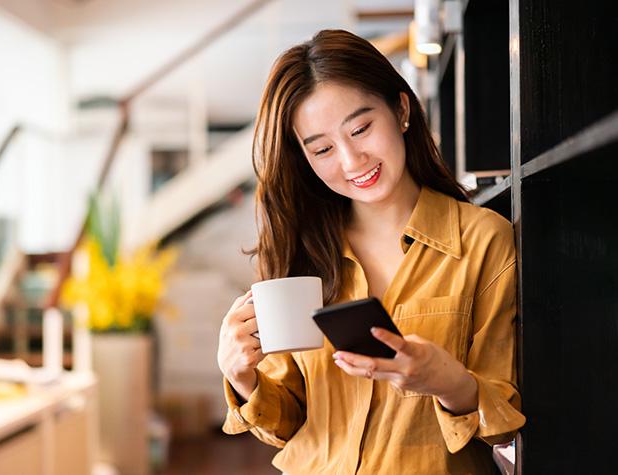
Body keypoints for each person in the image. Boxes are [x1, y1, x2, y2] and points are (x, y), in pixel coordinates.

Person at [216, 29, 526, 474]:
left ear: (401, 110)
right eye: (322, 149)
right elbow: (288, 422)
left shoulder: (482, 241)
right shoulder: (298, 255)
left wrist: (447, 381)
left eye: (361, 128)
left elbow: (503, 423)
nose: (351, 161)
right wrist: (242, 378)